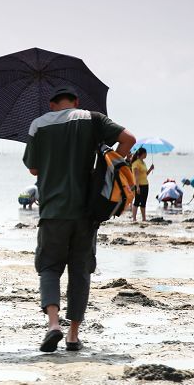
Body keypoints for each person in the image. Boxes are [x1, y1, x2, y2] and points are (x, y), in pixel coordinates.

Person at [23, 85, 135, 353]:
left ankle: (53, 325)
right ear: (76, 101)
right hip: (87, 211)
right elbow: (129, 138)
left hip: (52, 211)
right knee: (80, 271)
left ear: (52, 105)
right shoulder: (92, 118)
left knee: (49, 267)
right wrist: (109, 162)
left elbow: (33, 168)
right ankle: (73, 336)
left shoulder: (38, 125)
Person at [130, 148, 154, 221]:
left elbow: (145, 174)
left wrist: (150, 169)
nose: (146, 154)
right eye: (145, 153)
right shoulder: (136, 163)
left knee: (143, 202)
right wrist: (137, 187)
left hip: (145, 184)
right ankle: (134, 219)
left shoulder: (143, 162)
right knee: (137, 201)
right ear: (142, 154)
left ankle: (144, 218)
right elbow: (136, 176)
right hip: (139, 185)